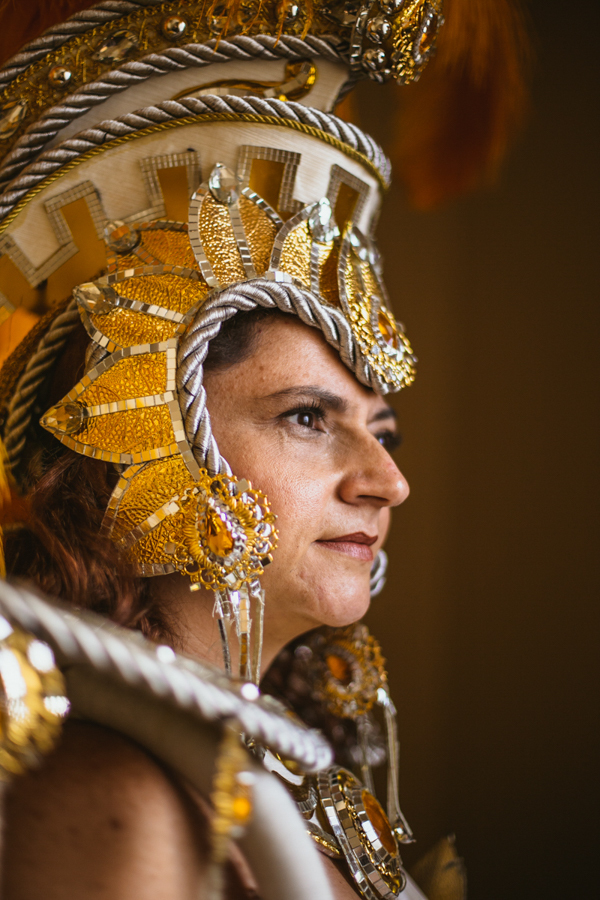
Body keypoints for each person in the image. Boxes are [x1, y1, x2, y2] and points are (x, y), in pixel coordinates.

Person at [0, 1, 527, 898]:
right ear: (141, 433)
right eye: (308, 418)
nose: (388, 482)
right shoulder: (117, 798)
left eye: (383, 431)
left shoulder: (291, 782)